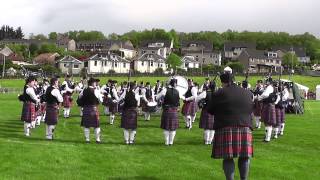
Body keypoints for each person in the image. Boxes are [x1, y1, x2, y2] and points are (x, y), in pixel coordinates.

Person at [208, 73, 253, 180]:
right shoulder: (247, 92)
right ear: (234, 79)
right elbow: (251, 108)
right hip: (245, 127)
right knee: (244, 157)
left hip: (225, 126)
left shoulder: (219, 93)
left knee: (228, 158)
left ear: (223, 82)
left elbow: (210, 110)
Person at [156, 78, 181, 146]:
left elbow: (157, 97)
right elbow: (178, 101)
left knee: (166, 127)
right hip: (174, 111)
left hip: (167, 110)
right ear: (175, 84)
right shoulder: (177, 91)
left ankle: (166, 142)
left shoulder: (165, 90)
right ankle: (171, 142)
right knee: (173, 128)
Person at [79, 78, 103, 143]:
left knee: (86, 126)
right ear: (92, 83)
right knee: (96, 125)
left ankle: (87, 139)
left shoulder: (84, 90)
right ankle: (97, 139)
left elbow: (80, 96)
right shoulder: (96, 90)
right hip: (93, 109)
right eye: (95, 82)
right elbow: (101, 100)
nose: (96, 84)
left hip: (86, 109)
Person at [258, 78, 277, 142]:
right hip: (271, 105)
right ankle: (267, 136)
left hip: (267, 105)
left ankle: (267, 138)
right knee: (269, 122)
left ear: (269, 82)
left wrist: (259, 98)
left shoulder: (269, 87)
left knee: (267, 122)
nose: (266, 82)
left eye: (266, 81)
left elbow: (265, 94)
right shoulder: (273, 87)